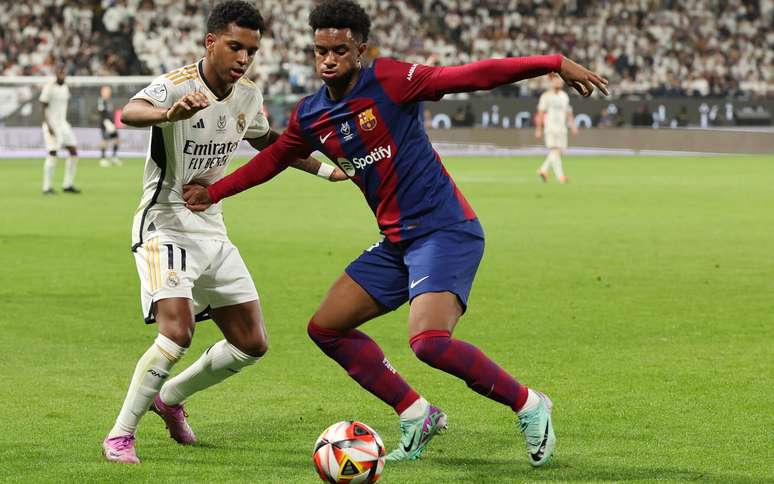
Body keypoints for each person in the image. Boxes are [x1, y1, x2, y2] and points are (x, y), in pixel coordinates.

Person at [183, 0, 607, 467]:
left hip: (446, 231)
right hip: (398, 243)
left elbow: (473, 74)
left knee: (429, 342)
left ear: (360, 50)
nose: (328, 60)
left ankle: (529, 403)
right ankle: (415, 411)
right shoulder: (312, 114)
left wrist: (552, 63)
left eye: (340, 50)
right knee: (326, 328)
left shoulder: (390, 81)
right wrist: (216, 191)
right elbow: (275, 157)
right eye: (320, 50)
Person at [102, 1, 345, 464]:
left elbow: (273, 147)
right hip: (164, 224)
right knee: (178, 331)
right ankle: (120, 435)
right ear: (211, 42)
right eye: (235, 47)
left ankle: (168, 398)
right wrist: (168, 115)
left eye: (251, 51)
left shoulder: (247, 96)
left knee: (251, 343)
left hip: (211, 227)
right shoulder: (175, 86)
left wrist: (328, 171)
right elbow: (129, 113)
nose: (243, 58)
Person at [40, 65, 80, 194]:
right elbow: (43, 106)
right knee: (53, 153)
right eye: (59, 72)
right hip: (52, 125)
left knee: (73, 151)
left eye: (63, 72)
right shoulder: (49, 87)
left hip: (63, 124)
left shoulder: (65, 87)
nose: (62, 74)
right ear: (56, 73)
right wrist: (49, 125)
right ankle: (47, 187)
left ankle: (67, 184)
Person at [535, 73, 576, 184]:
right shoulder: (546, 96)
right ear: (551, 83)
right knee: (555, 150)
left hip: (562, 127)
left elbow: (568, 112)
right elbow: (541, 113)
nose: (558, 82)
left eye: (559, 81)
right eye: (555, 81)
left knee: (558, 151)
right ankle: (559, 176)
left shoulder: (564, 96)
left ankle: (544, 170)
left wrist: (572, 124)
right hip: (551, 126)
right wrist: (538, 129)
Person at [97, 85, 122, 167]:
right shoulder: (101, 100)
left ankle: (114, 157)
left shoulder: (109, 101)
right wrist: (106, 123)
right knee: (105, 140)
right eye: (106, 91)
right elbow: (102, 112)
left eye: (108, 91)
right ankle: (103, 159)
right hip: (105, 123)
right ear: (102, 92)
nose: (108, 92)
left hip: (111, 123)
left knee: (116, 139)